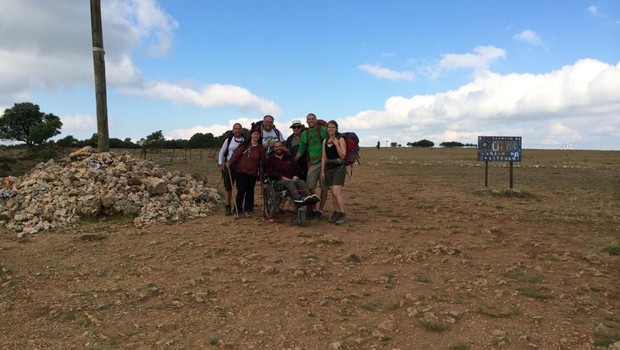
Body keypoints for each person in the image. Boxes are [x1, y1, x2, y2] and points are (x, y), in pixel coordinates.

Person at [226, 127, 265, 218]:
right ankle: (237, 210)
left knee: (250, 191)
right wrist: (229, 162)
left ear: (259, 136)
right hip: (241, 172)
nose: (256, 135)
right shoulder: (244, 145)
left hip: (252, 173)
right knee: (241, 190)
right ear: (251, 135)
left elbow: (262, 161)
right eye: (254, 134)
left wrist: (261, 172)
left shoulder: (261, 148)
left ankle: (248, 210)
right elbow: (236, 155)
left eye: (257, 134)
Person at [294, 113, 328, 217]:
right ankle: (312, 208)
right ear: (306, 121)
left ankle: (320, 210)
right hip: (313, 163)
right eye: (309, 119)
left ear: (316, 120)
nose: (311, 121)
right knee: (309, 187)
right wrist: (294, 160)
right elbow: (302, 148)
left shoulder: (322, 130)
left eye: (313, 119)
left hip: (324, 163)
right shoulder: (305, 134)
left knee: (324, 188)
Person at [321, 120, 348, 225]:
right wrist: (322, 171)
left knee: (337, 192)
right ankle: (336, 212)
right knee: (333, 193)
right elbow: (324, 157)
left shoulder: (340, 139)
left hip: (339, 168)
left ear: (336, 128)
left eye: (333, 127)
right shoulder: (325, 140)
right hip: (329, 169)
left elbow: (343, 155)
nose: (331, 129)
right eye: (329, 127)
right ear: (326, 129)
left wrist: (336, 144)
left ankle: (343, 213)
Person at [217, 123, 245, 216]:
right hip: (229, 166)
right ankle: (228, 206)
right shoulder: (228, 140)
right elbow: (222, 152)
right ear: (233, 130)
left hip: (241, 167)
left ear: (242, 130)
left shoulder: (245, 140)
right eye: (235, 128)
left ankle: (238, 206)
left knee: (241, 188)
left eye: (239, 128)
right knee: (228, 187)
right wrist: (220, 164)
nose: (237, 130)